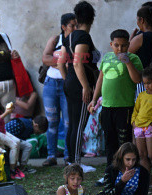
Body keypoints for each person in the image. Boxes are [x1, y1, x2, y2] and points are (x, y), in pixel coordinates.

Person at [87, 29, 143, 167]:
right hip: (107, 107)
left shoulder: (134, 58)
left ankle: (125, 174)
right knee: (109, 144)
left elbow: (137, 80)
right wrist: (94, 100)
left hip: (124, 108)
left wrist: (128, 62)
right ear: (111, 44)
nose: (120, 48)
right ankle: (110, 175)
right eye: (117, 45)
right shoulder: (106, 58)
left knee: (124, 144)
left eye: (124, 45)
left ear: (128, 45)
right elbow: (100, 79)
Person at [58, 1, 99, 165]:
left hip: (71, 83)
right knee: (79, 124)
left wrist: (68, 79)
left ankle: (70, 160)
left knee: (74, 124)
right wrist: (85, 86)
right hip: (80, 86)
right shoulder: (82, 36)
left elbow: (61, 63)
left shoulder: (68, 37)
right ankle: (75, 163)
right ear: (92, 19)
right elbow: (77, 63)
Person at [81, 142, 152, 195]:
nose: (131, 163)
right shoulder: (111, 170)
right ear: (121, 157)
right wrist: (122, 181)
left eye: (134, 159)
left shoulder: (142, 172)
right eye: (128, 159)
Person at [41, 13, 77, 167]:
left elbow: (84, 59)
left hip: (67, 84)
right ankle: (51, 156)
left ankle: (69, 156)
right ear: (64, 27)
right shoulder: (56, 39)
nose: (75, 28)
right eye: (72, 25)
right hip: (50, 84)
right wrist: (64, 61)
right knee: (52, 122)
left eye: (77, 25)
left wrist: (57, 62)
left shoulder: (78, 40)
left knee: (69, 122)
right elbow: (45, 58)